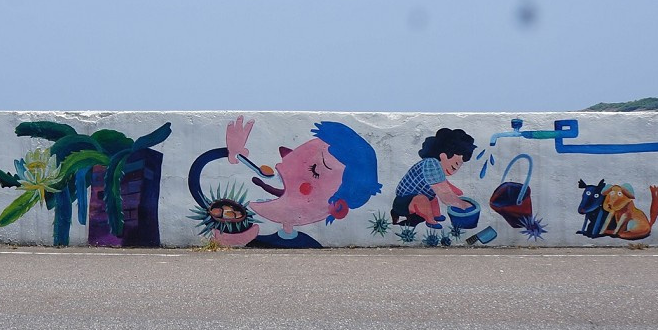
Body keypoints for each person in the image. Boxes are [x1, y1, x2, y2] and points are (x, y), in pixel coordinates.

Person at [189, 116, 382, 248]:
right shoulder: (250, 220)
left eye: (314, 170)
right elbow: (199, 175)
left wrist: (245, 239)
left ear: (337, 207)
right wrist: (232, 154)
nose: (282, 166)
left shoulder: (306, 244)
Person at [390, 128, 475, 228]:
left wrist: (457, 192)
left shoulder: (436, 166)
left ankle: (436, 215)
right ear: (443, 156)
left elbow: (443, 183)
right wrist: (463, 205)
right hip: (404, 202)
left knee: (432, 198)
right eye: (455, 165)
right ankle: (430, 221)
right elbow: (446, 196)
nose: (455, 169)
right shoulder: (431, 165)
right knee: (423, 200)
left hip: (415, 197)